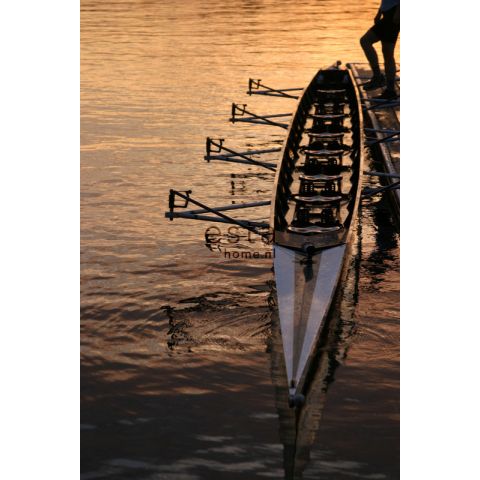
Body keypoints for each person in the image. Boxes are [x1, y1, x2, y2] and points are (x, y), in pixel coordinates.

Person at [360, 0, 400, 99]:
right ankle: (378, 76)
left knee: (387, 54)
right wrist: (379, 12)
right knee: (365, 41)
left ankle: (390, 90)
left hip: (393, 16)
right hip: (387, 15)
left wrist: (399, 12)